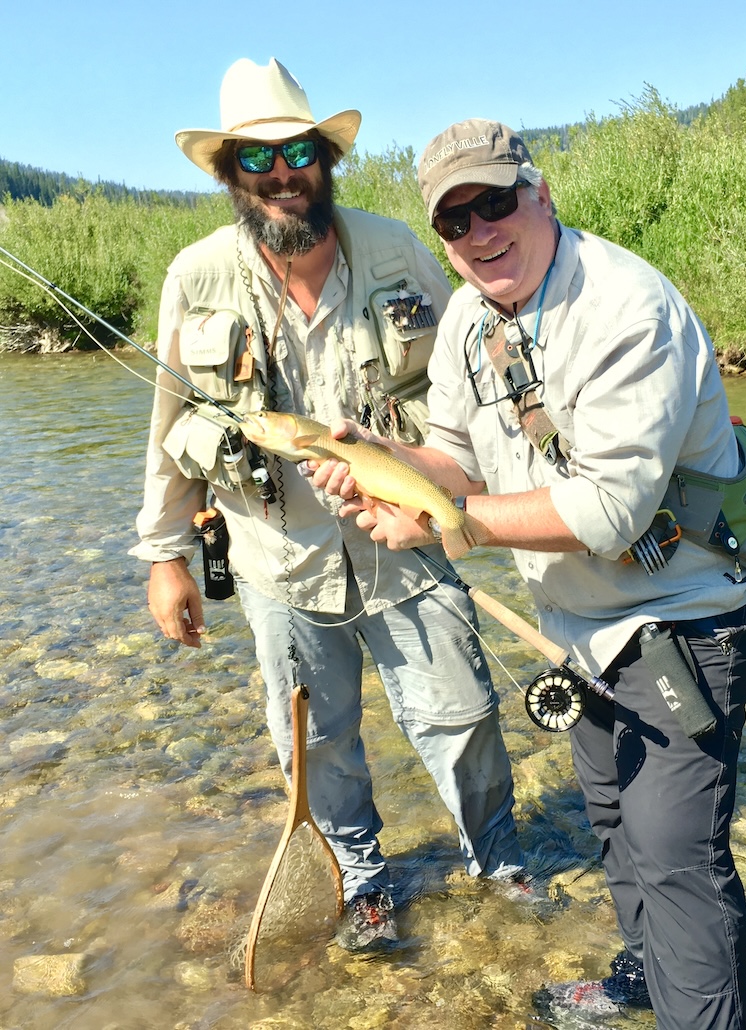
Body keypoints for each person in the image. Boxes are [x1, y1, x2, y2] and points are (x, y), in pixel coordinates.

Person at [309, 120, 746, 1028]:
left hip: (686, 616)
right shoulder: (467, 323)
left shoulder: (627, 309)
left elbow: (608, 513)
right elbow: (450, 454)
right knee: (615, 821)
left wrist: (443, 524)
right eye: (455, 220)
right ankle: (646, 978)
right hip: (581, 628)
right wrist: (378, 457)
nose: (480, 232)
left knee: (678, 857)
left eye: (495, 203)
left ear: (541, 195)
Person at [130, 67, 529, 949]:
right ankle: (364, 881)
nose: (282, 172)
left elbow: (478, 385)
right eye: (258, 156)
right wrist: (165, 557)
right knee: (317, 742)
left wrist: (502, 492)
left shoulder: (399, 251)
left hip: (412, 539)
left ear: (326, 158)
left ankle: (497, 862)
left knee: (460, 715)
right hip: (277, 558)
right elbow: (170, 427)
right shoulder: (194, 277)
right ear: (231, 171)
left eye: (298, 151)